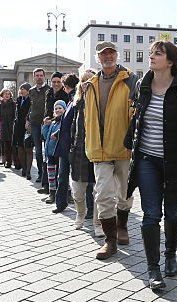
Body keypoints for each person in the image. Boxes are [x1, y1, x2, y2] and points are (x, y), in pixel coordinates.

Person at [126, 41, 177, 290]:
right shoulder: (143, 85)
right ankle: (153, 268)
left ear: (171, 61)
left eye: (157, 54)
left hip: (176, 161)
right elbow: (138, 118)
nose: (151, 57)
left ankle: (171, 254)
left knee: (173, 212)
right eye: (151, 53)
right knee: (151, 214)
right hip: (147, 159)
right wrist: (128, 141)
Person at [83, 41, 138, 259]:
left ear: (117, 55)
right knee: (103, 194)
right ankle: (110, 240)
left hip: (124, 147)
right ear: (98, 58)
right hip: (100, 148)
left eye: (111, 53)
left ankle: (122, 226)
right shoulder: (91, 84)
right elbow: (86, 118)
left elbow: (136, 114)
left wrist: (133, 143)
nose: (108, 57)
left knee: (125, 193)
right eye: (103, 54)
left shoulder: (130, 80)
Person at [68, 71, 98, 232]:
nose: (87, 83)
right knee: (78, 192)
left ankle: (97, 223)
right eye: (84, 81)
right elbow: (72, 126)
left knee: (98, 192)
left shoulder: (102, 101)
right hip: (79, 150)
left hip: (98, 151)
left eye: (91, 80)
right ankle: (80, 214)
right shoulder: (76, 102)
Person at [53, 74, 80, 213]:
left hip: (71, 145)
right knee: (63, 175)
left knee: (69, 176)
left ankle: (64, 203)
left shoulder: (76, 100)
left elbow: (74, 124)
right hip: (66, 144)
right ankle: (61, 203)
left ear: (66, 86)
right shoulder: (71, 100)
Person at [42, 101, 67, 205]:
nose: (58, 110)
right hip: (50, 153)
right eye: (56, 108)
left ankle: (66, 194)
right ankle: (52, 193)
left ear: (65, 110)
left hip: (59, 152)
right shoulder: (53, 123)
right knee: (51, 175)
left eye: (60, 108)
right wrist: (45, 126)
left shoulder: (64, 122)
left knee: (61, 175)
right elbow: (45, 135)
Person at [28, 68, 50, 186]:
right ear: (34, 77)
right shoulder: (31, 91)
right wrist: (28, 119)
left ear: (44, 76)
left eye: (41, 75)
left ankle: (48, 175)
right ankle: (41, 174)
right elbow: (30, 107)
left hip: (46, 123)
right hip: (34, 123)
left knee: (47, 150)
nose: (39, 77)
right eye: (37, 75)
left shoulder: (49, 90)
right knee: (37, 150)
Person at [13, 83, 33, 178]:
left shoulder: (31, 100)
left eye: (24, 89)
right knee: (20, 147)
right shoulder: (18, 100)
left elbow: (31, 111)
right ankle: (24, 169)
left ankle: (28, 171)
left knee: (28, 148)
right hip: (18, 126)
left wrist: (28, 121)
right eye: (21, 89)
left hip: (27, 125)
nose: (22, 91)